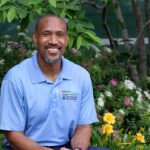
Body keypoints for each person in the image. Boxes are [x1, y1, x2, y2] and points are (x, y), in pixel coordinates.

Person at [0, 14, 102, 150]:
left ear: (66, 40)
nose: (53, 41)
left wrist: (77, 149)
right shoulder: (15, 78)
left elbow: (83, 126)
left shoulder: (80, 76)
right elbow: (13, 134)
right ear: (35, 39)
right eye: (46, 34)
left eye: (59, 35)